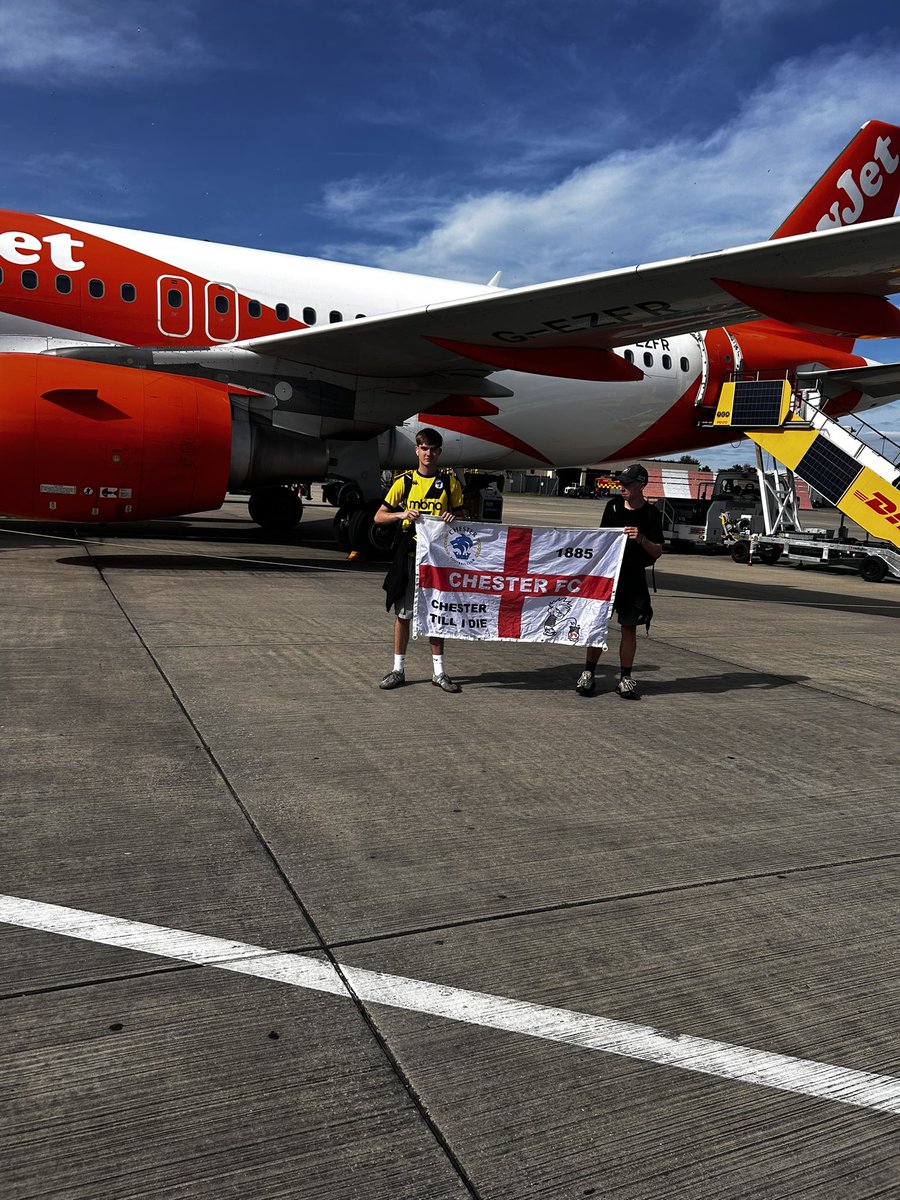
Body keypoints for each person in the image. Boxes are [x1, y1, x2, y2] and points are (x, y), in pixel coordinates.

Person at [374, 428, 465, 693]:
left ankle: (439, 672)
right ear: (417, 450)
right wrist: (401, 515)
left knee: (436, 613)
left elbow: (464, 520)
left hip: (438, 560)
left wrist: (453, 519)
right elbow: (379, 516)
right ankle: (398, 669)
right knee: (404, 614)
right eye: (424, 448)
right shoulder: (404, 482)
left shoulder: (450, 483)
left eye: (433, 449)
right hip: (409, 555)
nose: (428, 453)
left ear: (439, 452)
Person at [575, 463, 663, 698]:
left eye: (627, 484)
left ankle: (625, 677)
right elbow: (601, 539)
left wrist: (641, 538)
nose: (621, 487)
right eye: (621, 483)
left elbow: (657, 551)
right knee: (597, 626)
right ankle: (588, 673)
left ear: (641, 486)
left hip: (633, 578)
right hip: (608, 576)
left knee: (629, 628)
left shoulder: (652, 513)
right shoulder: (612, 507)